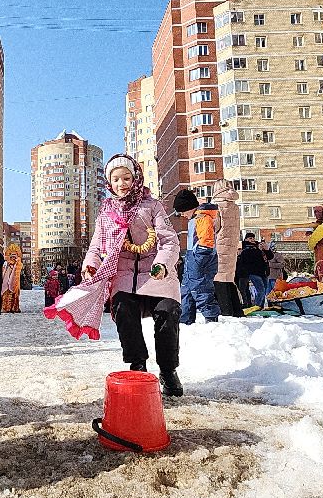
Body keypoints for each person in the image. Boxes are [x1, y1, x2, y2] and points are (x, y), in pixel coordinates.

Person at [81, 154, 183, 396]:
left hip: (157, 274)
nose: (122, 184)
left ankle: (168, 370)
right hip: (125, 276)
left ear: (135, 178)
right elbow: (96, 246)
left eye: (126, 178)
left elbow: (169, 241)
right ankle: (138, 365)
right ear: (109, 183)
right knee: (122, 308)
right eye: (116, 179)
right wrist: (91, 265)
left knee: (167, 312)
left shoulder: (152, 206)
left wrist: (162, 264)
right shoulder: (106, 213)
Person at [174, 188, 220, 325]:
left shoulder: (203, 218)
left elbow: (206, 242)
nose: (182, 215)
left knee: (201, 289)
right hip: (192, 259)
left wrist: (198, 259)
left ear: (189, 207)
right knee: (186, 290)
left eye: (182, 211)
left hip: (201, 260)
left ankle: (211, 318)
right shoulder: (194, 219)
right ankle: (185, 319)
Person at [210, 179, 244, 317]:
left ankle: (226, 312)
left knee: (219, 278)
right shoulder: (234, 206)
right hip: (231, 247)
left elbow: (214, 227)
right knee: (229, 278)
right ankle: (237, 311)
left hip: (219, 246)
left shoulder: (217, 206)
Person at [235, 232, 270, 309]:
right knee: (260, 290)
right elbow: (249, 259)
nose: (253, 239)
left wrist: (267, 250)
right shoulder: (246, 248)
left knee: (264, 291)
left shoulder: (258, 247)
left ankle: (260, 306)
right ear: (246, 239)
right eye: (250, 238)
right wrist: (259, 250)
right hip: (253, 272)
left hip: (263, 272)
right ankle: (256, 306)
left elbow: (270, 257)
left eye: (253, 238)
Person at [1, 243, 22, 313]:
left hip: (15, 282)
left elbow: (18, 270)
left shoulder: (18, 263)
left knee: (14, 294)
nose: (13, 257)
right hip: (6, 282)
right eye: (11, 255)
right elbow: (3, 271)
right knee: (6, 294)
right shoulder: (6, 263)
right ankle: (5, 307)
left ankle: (14, 307)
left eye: (14, 255)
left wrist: (16, 264)